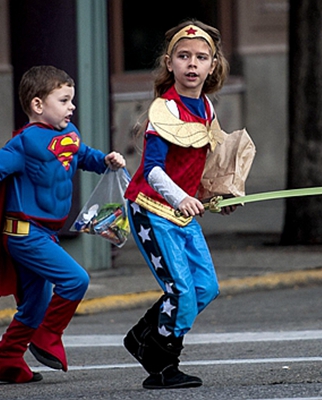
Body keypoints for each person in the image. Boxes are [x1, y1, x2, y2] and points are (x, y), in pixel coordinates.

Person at [0, 65, 125, 384]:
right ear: (37, 105)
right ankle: (47, 336)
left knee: (34, 305)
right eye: (63, 100)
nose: (71, 106)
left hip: (44, 234)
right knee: (75, 280)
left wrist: (105, 160)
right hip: (25, 235)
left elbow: (83, 156)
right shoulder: (24, 143)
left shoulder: (69, 135)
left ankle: (5, 361)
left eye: (71, 100)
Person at [123, 20, 233, 389]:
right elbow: (153, 171)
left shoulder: (206, 108)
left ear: (212, 65)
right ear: (169, 63)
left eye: (201, 57)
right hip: (150, 208)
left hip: (180, 211)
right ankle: (162, 363)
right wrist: (181, 198)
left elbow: (199, 170)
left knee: (205, 287)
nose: (192, 64)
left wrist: (217, 196)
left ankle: (142, 334)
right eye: (183, 56)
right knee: (181, 291)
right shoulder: (164, 110)